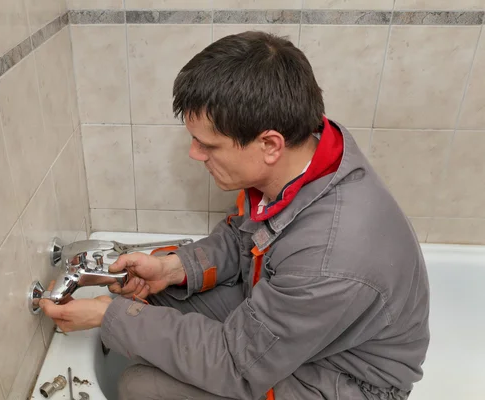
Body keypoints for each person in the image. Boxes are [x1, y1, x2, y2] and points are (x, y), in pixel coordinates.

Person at [40, 31, 430, 400]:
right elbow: (244, 236)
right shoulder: (303, 160)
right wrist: (174, 268)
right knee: (152, 304)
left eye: (207, 144)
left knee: (141, 385)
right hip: (299, 330)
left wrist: (110, 316)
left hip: (344, 380)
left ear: (270, 144)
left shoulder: (332, 255)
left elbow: (236, 364)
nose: (195, 154)